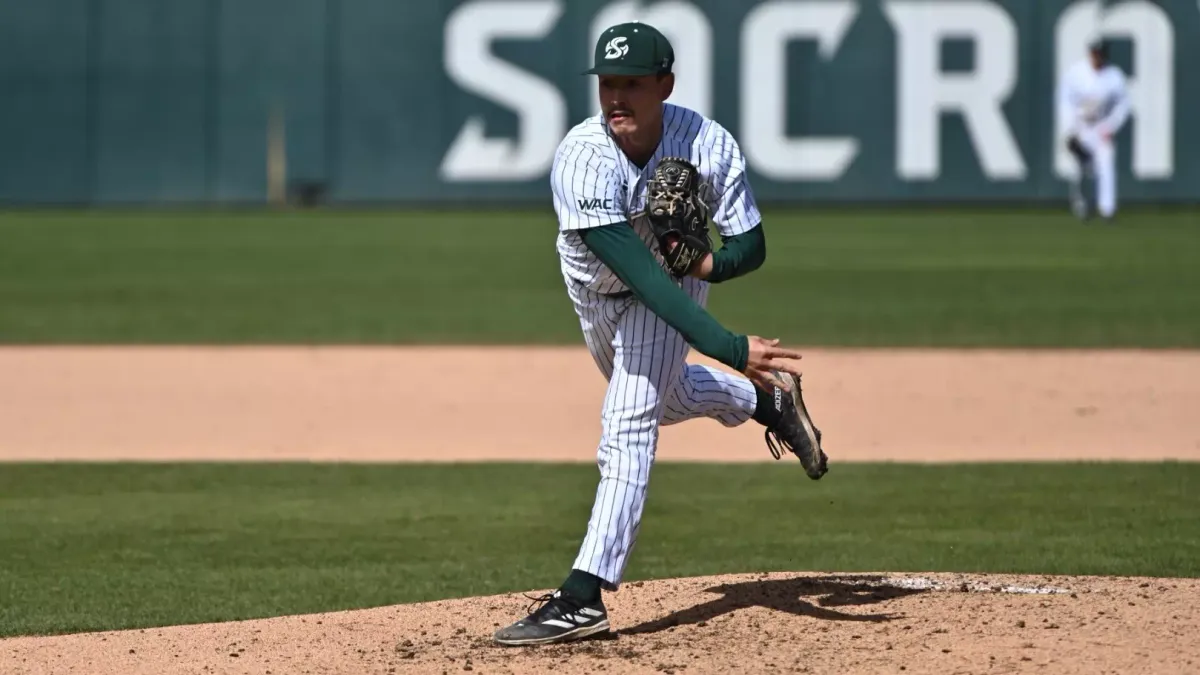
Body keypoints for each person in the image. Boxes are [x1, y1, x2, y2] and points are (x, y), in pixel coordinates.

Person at [492, 21, 829, 647]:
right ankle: (769, 400)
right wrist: (732, 351)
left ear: (664, 84)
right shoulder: (583, 156)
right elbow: (639, 274)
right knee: (665, 400)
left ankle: (584, 595)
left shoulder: (707, 142)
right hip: (600, 290)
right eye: (607, 84)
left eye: (632, 84)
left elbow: (750, 245)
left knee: (628, 420)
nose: (616, 97)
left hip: (669, 290)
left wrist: (707, 265)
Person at [1058, 38, 1131, 222]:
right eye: (1094, 53)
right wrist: (1070, 130)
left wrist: (1111, 126)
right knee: (1081, 167)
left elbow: (1123, 105)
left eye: (1099, 54)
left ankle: (1107, 209)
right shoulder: (1076, 72)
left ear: (1105, 55)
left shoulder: (1114, 76)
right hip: (1081, 126)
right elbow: (1065, 102)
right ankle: (1081, 205)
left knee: (1106, 162)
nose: (1096, 57)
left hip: (1101, 127)